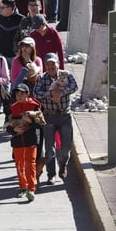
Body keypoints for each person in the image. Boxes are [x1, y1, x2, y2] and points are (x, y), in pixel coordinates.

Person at [32, 52, 78, 185]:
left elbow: (74, 86)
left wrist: (61, 92)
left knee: (66, 146)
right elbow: (36, 93)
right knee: (49, 148)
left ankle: (63, 164)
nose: (51, 67)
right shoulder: (42, 78)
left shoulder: (66, 75)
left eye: (53, 64)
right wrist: (50, 93)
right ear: (45, 65)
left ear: (58, 64)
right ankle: (51, 175)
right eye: (48, 64)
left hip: (64, 115)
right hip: (49, 116)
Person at [6, 83, 43, 202]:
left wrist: (30, 122)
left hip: (31, 140)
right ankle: (23, 186)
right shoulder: (13, 107)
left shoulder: (34, 106)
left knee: (30, 164)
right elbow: (7, 126)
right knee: (19, 165)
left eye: (22, 93)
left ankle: (31, 189)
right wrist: (13, 130)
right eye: (17, 94)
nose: (19, 96)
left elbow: (41, 123)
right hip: (17, 141)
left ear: (28, 94)